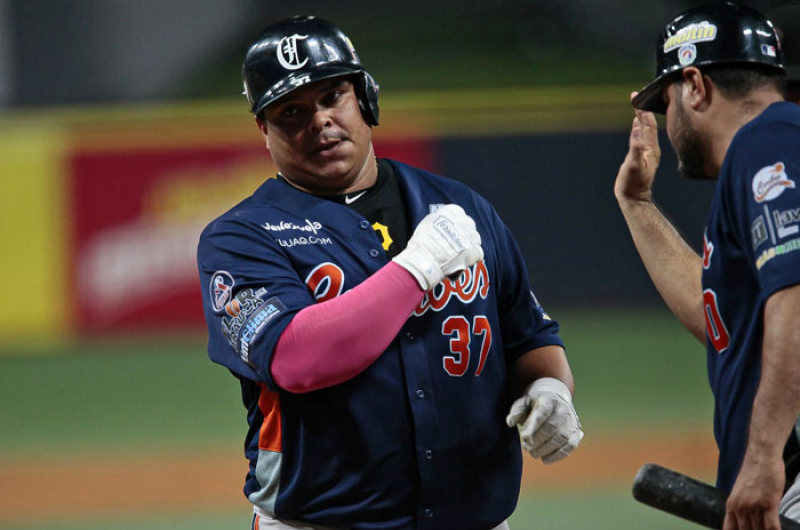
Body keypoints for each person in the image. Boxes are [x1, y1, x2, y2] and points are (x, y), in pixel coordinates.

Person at [197, 15, 583, 530]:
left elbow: (528, 334)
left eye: (333, 96)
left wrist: (550, 389)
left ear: (366, 97)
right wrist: (419, 267)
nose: (319, 121)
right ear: (264, 129)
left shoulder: (459, 206)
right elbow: (296, 357)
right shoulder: (242, 237)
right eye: (291, 111)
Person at [615, 3, 800, 530]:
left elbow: (797, 297)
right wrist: (638, 205)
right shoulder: (768, 150)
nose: (666, 121)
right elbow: (726, 325)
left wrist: (762, 458)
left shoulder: (768, 141)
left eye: (666, 100)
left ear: (695, 85)